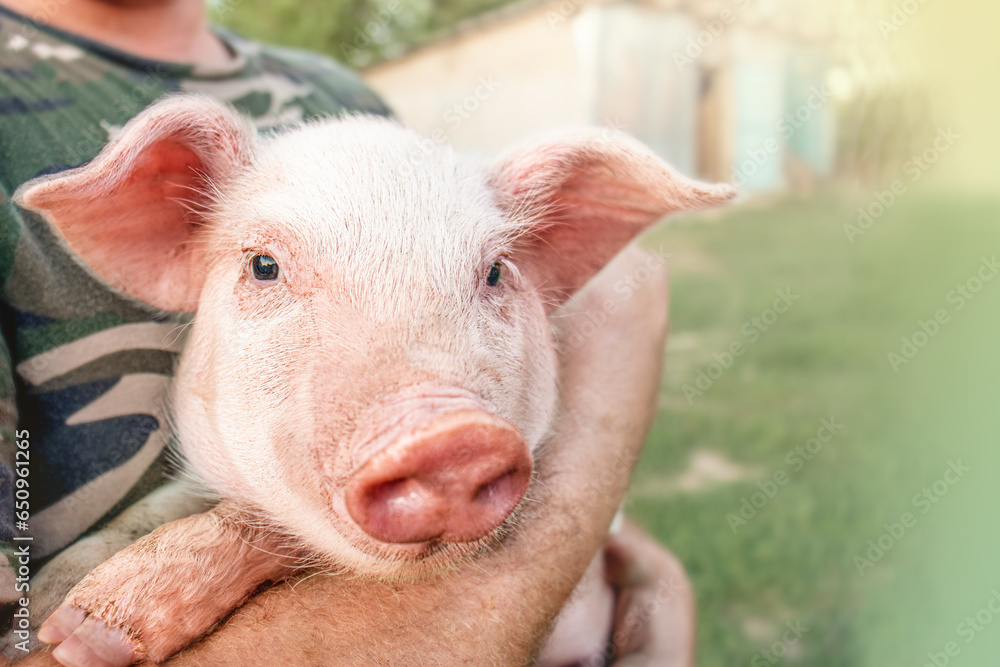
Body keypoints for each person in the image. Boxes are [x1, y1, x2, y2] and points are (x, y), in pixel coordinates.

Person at [0, 0, 695, 664]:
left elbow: (504, 338)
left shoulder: (338, 91)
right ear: (156, 219)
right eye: (268, 267)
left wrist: (623, 549)